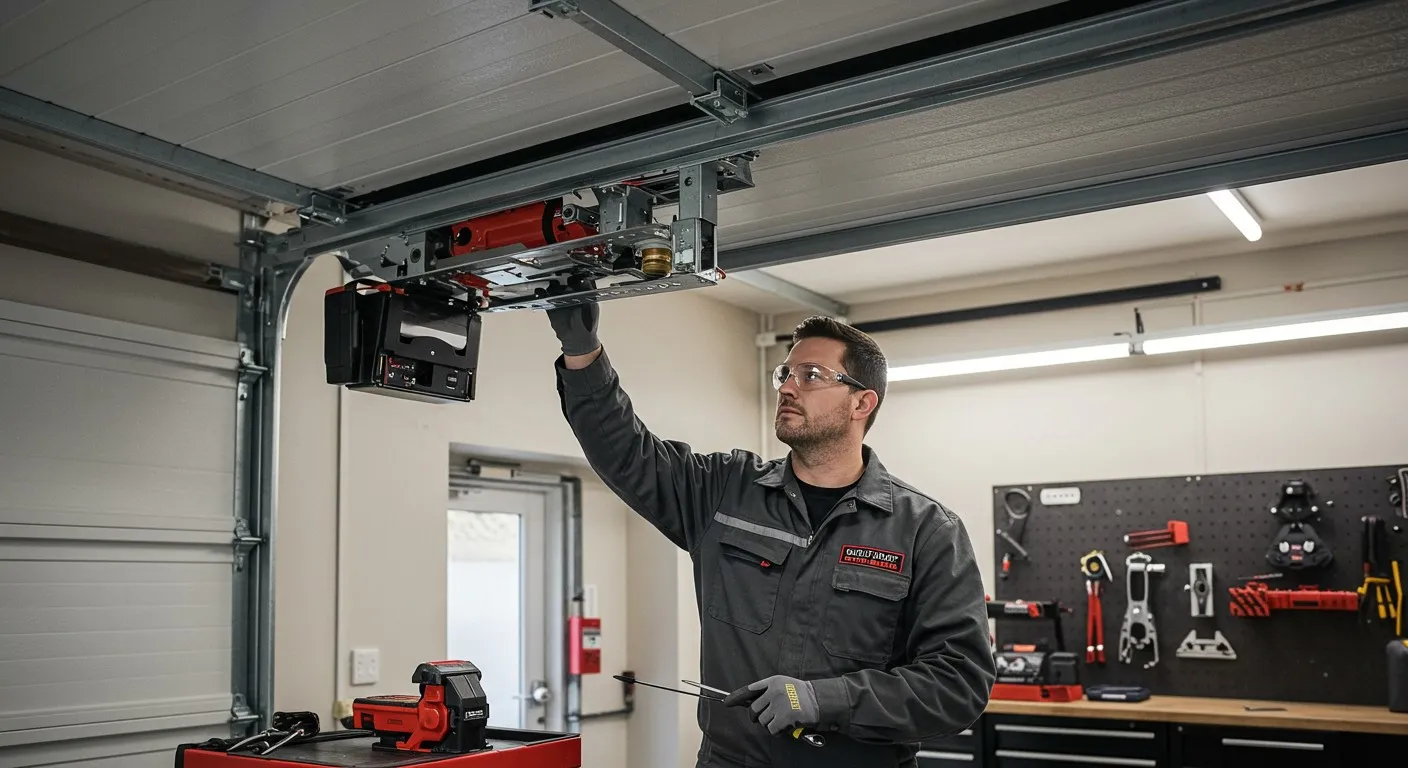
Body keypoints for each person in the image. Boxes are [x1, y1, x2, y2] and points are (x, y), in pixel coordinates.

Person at [548, 304, 995, 768]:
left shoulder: (926, 529)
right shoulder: (724, 492)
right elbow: (626, 453)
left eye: (812, 375)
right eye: (785, 373)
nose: (786, 387)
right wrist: (582, 352)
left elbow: (959, 685)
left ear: (862, 403)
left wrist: (825, 700)